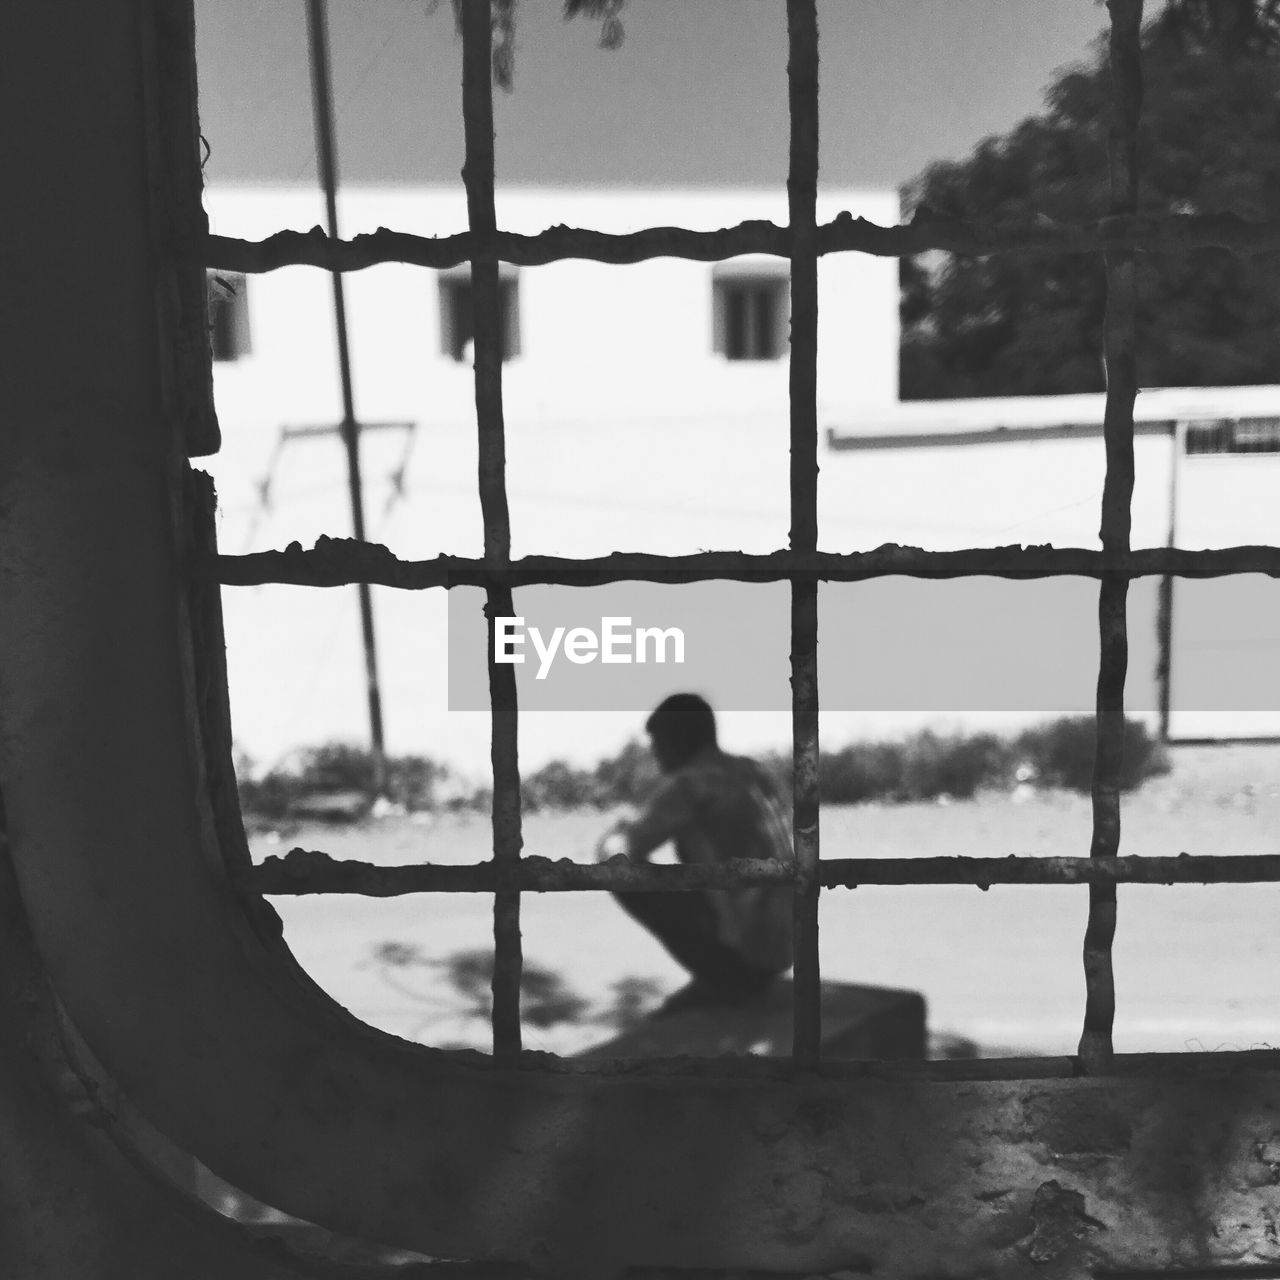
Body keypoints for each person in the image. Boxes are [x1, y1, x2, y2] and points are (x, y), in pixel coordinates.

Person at [595, 693, 794, 1015]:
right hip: (786, 940)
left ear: (677, 741)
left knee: (618, 874)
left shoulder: (690, 783)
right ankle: (731, 972)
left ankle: (721, 977)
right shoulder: (756, 772)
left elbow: (621, 855)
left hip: (747, 949)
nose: (656, 755)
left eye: (658, 744)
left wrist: (615, 832)